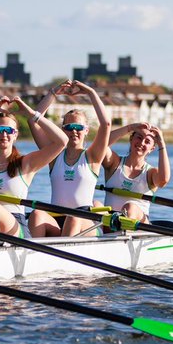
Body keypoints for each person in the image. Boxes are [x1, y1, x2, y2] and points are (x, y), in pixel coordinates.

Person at [0, 98, 68, 237]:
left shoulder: (26, 163)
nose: (4, 134)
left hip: (16, 228)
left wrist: (31, 113)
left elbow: (62, 141)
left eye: (9, 130)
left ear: (16, 135)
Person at [25, 81, 113, 237]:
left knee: (73, 218)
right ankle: (32, 257)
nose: (74, 131)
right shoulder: (54, 156)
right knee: (36, 214)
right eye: (69, 127)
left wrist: (91, 92)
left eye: (78, 127)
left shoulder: (92, 156)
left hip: (85, 221)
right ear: (62, 130)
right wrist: (52, 93)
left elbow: (106, 124)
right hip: (56, 218)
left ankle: (63, 256)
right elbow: (33, 121)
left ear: (86, 130)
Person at [102, 122, 171, 223]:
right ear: (131, 139)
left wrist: (161, 144)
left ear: (152, 149)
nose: (142, 143)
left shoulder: (151, 173)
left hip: (139, 227)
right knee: (96, 205)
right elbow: (101, 143)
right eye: (139, 137)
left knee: (130, 208)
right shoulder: (114, 163)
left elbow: (163, 180)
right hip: (110, 224)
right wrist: (129, 127)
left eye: (147, 141)